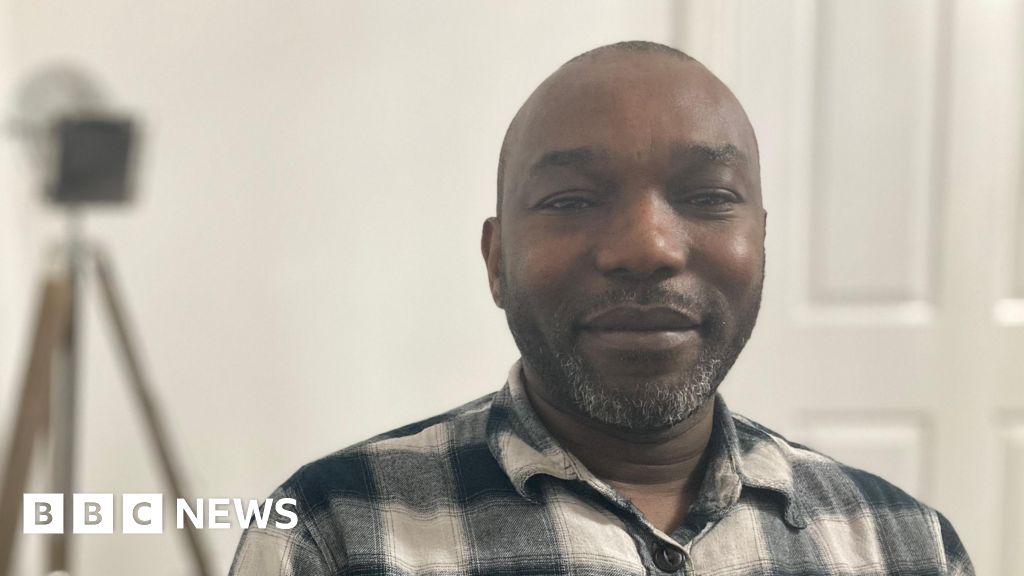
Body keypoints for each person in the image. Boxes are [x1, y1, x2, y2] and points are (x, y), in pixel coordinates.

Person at [229, 41, 974, 575]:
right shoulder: (331, 533)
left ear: (760, 243)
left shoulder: (905, 546)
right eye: (572, 200)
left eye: (707, 196)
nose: (647, 247)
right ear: (497, 260)